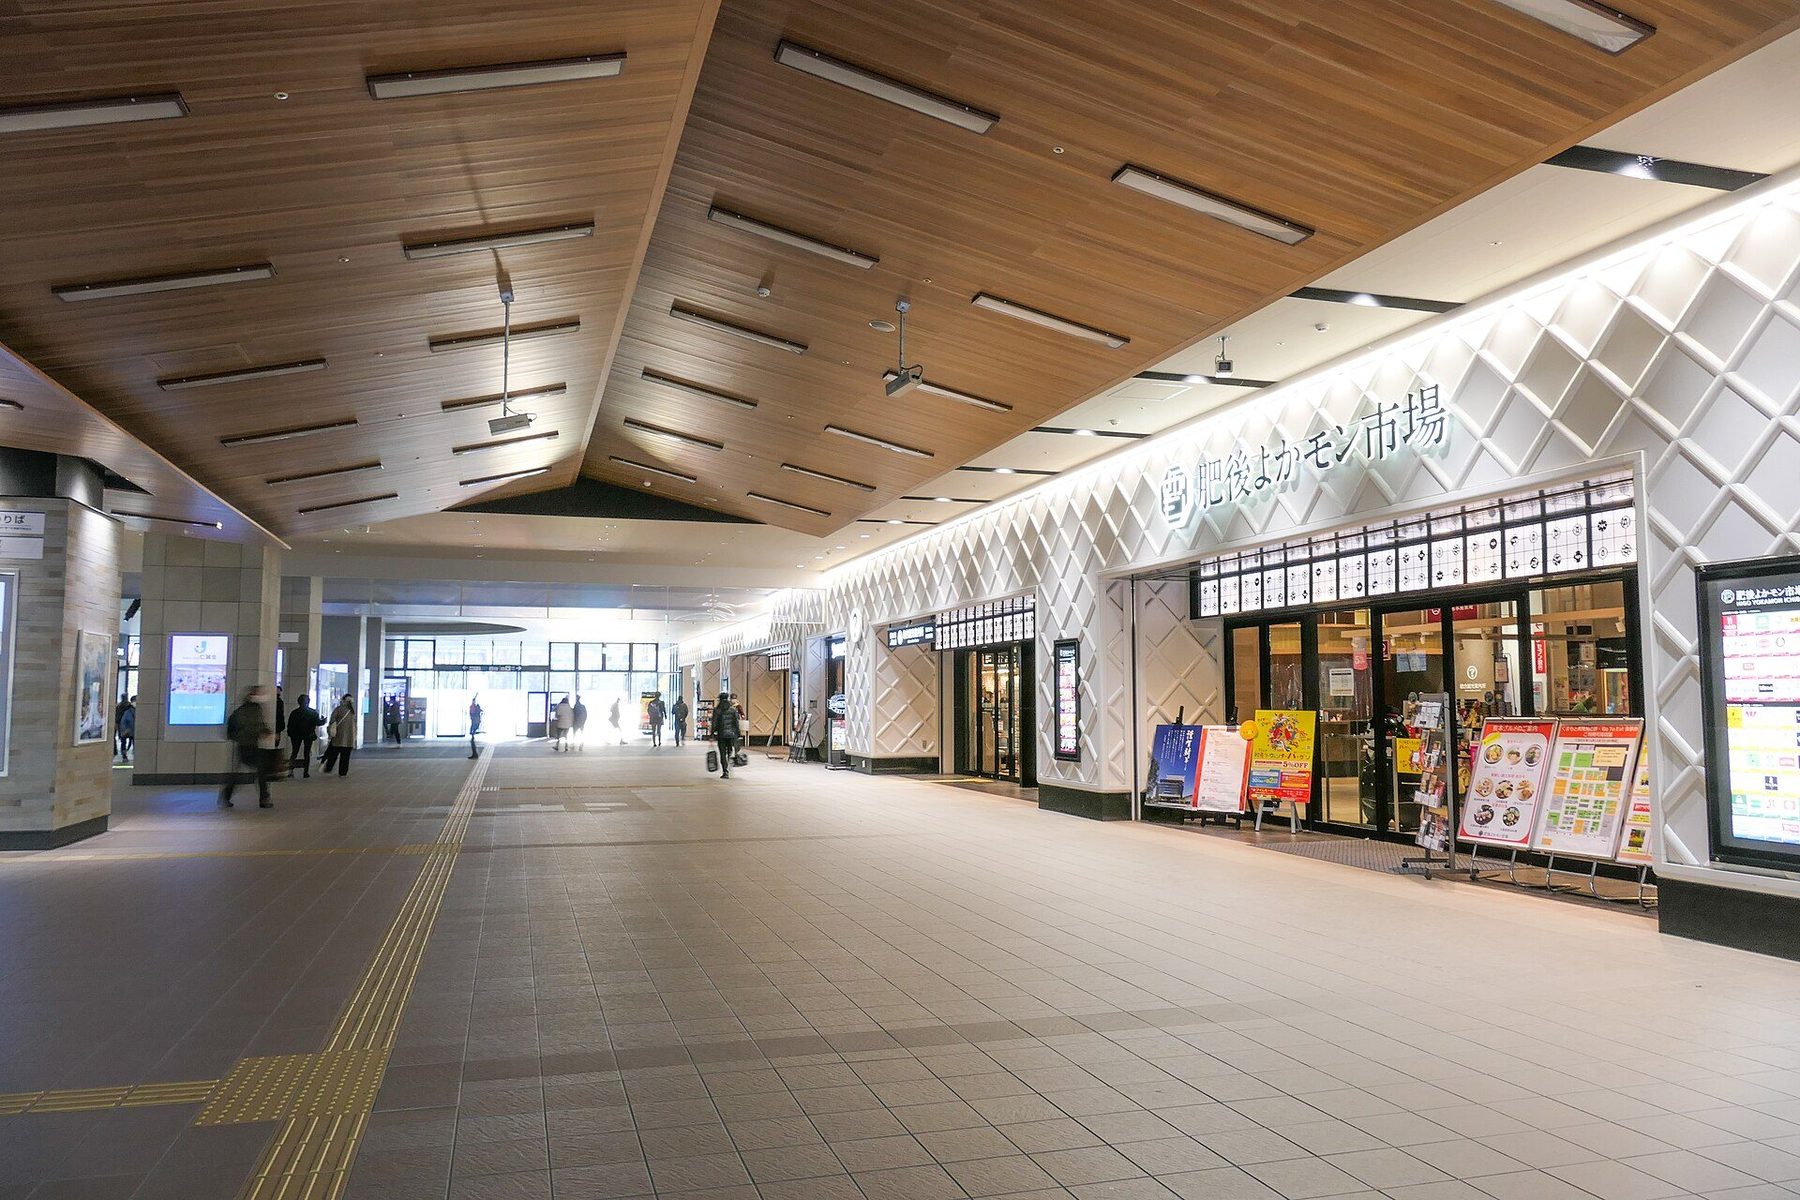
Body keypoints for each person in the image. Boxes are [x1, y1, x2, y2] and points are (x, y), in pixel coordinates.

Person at [221, 686, 274, 809]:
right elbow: (256, 726)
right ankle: (264, 798)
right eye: (260, 693)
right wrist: (266, 732)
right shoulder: (251, 710)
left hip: (245, 745)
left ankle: (226, 795)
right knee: (261, 772)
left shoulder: (244, 710)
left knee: (242, 773)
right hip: (249, 745)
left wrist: (265, 732)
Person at [285, 693, 323, 779]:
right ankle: (306, 772)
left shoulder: (294, 713)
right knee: (306, 753)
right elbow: (318, 723)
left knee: (294, 752)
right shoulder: (313, 713)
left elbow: (290, 725)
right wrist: (324, 720)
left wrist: (290, 734)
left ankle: (290, 771)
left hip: (296, 735)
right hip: (308, 735)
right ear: (308, 702)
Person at [321, 695, 356, 776]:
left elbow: (332, 721)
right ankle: (343, 772)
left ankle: (328, 768)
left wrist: (330, 731)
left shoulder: (338, 709)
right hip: (349, 739)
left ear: (343, 701)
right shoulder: (352, 711)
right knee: (345, 757)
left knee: (333, 754)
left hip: (338, 737)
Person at [711, 691, 742, 779]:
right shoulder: (733, 710)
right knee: (729, 751)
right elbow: (736, 723)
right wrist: (738, 733)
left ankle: (725, 771)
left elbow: (714, 723)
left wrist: (712, 734)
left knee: (722, 753)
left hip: (721, 735)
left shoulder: (717, 710)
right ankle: (728, 763)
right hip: (731, 735)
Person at [116, 694, 135, 762]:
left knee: (123, 742)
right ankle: (126, 755)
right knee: (132, 742)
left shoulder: (119, 706)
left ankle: (124, 756)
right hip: (130, 727)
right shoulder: (130, 708)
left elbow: (118, 717)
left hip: (123, 727)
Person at [468, 695, 483, 760]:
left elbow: (473, 713)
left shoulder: (475, 707)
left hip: (475, 722)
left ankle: (475, 754)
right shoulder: (474, 707)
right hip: (475, 722)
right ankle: (474, 754)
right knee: (472, 740)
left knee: (472, 740)